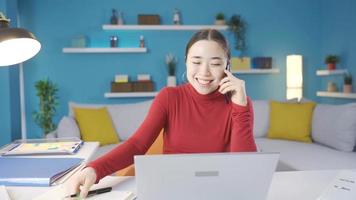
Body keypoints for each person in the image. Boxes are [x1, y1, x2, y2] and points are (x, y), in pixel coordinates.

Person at [68, 29, 257, 198]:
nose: (204, 72)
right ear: (186, 62)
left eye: (215, 63)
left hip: (220, 192)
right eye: (196, 61)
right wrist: (95, 168)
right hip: (172, 189)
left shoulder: (239, 102)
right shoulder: (169, 97)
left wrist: (240, 106)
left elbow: (246, 168)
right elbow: (137, 145)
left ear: (227, 67)